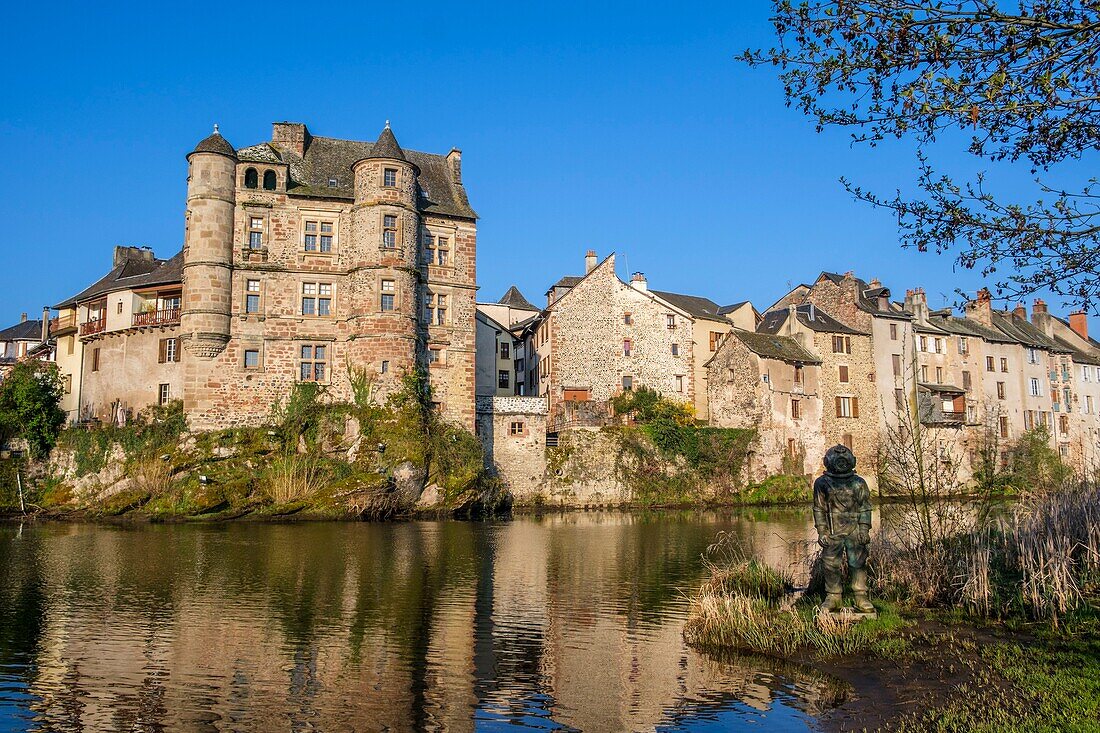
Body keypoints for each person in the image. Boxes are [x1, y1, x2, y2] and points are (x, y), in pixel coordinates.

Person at [813, 444, 874, 613]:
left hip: (854, 529)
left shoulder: (858, 482)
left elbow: (865, 506)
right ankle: (833, 596)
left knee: (858, 562)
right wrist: (822, 531)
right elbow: (819, 508)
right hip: (832, 529)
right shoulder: (822, 483)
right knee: (831, 563)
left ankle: (861, 597)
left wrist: (864, 529)